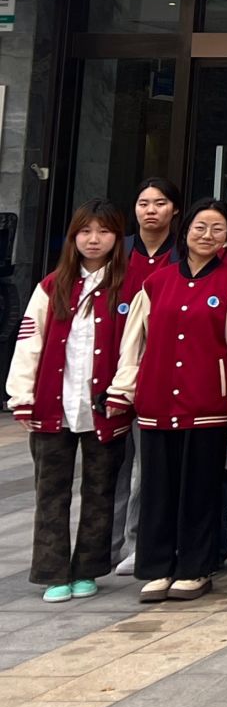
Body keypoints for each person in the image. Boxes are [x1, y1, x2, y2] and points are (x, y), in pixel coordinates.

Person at [108, 199, 227, 603]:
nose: (207, 235)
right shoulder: (157, 282)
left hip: (208, 402)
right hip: (157, 400)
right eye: (200, 227)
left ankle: (195, 568)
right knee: (156, 488)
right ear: (185, 231)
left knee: (200, 489)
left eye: (217, 229)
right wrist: (124, 389)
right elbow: (134, 342)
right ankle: (157, 567)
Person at [9, 200, 132, 603]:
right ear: (73, 237)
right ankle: (52, 571)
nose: (94, 240)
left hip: (104, 407)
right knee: (51, 491)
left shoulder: (128, 286)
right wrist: (22, 395)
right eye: (85, 231)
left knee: (100, 490)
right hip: (52, 404)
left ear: (117, 237)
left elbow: (134, 347)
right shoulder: (52, 285)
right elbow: (29, 341)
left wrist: (123, 391)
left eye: (104, 231)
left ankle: (88, 569)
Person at [128, 177, 182, 285]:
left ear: (175, 209)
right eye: (143, 204)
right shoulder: (119, 247)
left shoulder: (185, 250)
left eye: (160, 204)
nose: (151, 211)